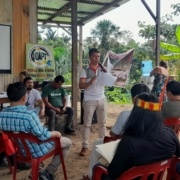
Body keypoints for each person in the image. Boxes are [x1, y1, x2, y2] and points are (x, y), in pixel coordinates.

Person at [87, 93, 180, 180]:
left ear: (135, 113)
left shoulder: (129, 143)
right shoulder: (170, 133)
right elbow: (177, 154)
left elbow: (112, 173)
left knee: (97, 167)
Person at [0, 82, 72, 180]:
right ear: (24, 97)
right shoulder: (29, 116)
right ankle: (49, 172)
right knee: (67, 143)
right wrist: (56, 133)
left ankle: (38, 171)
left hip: (19, 151)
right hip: (36, 151)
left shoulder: (2, 115)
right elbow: (43, 136)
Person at [83, 83, 150, 180]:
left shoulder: (125, 115)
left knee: (97, 145)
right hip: (145, 149)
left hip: (125, 149)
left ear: (133, 99)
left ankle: (91, 176)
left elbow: (113, 135)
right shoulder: (156, 117)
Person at [79, 48, 107, 156]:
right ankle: (85, 146)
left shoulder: (103, 69)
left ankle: (102, 144)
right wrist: (90, 82)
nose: (97, 58)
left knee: (103, 123)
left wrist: (106, 74)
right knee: (87, 124)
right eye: (95, 56)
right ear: (90, 57)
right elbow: (81, 86)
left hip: (102, 98)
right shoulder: (85, 70)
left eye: (99, 56)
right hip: (89, 99)